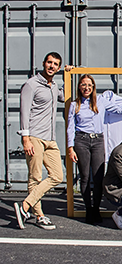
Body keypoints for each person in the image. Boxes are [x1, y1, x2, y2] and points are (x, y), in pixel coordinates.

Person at [67, 74, 122, 224]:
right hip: (81, 140)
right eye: (84, 85)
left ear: (93, 88)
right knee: (85, 177)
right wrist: (70, 148)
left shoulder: (100, 101)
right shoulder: (75, 105)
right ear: (79, 87)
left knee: (98, 176)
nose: (86, 88)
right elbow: (70, 127)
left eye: (89, 85)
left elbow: (118, 109)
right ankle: (89, 210)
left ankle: (96, 209)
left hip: (98, 140)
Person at [14, 52, 73, 230]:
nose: (52, 66)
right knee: (35, 177)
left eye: (56, 64)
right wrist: (26, 139)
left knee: (57, 175)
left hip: (50, 139)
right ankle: (38, 215)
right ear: (43, 63)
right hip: (34, 137)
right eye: (49, 62)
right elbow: (24, 112)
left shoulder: (54, 86)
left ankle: (25, 206)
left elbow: (65, 97)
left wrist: (68, 75)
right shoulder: (31, 84)